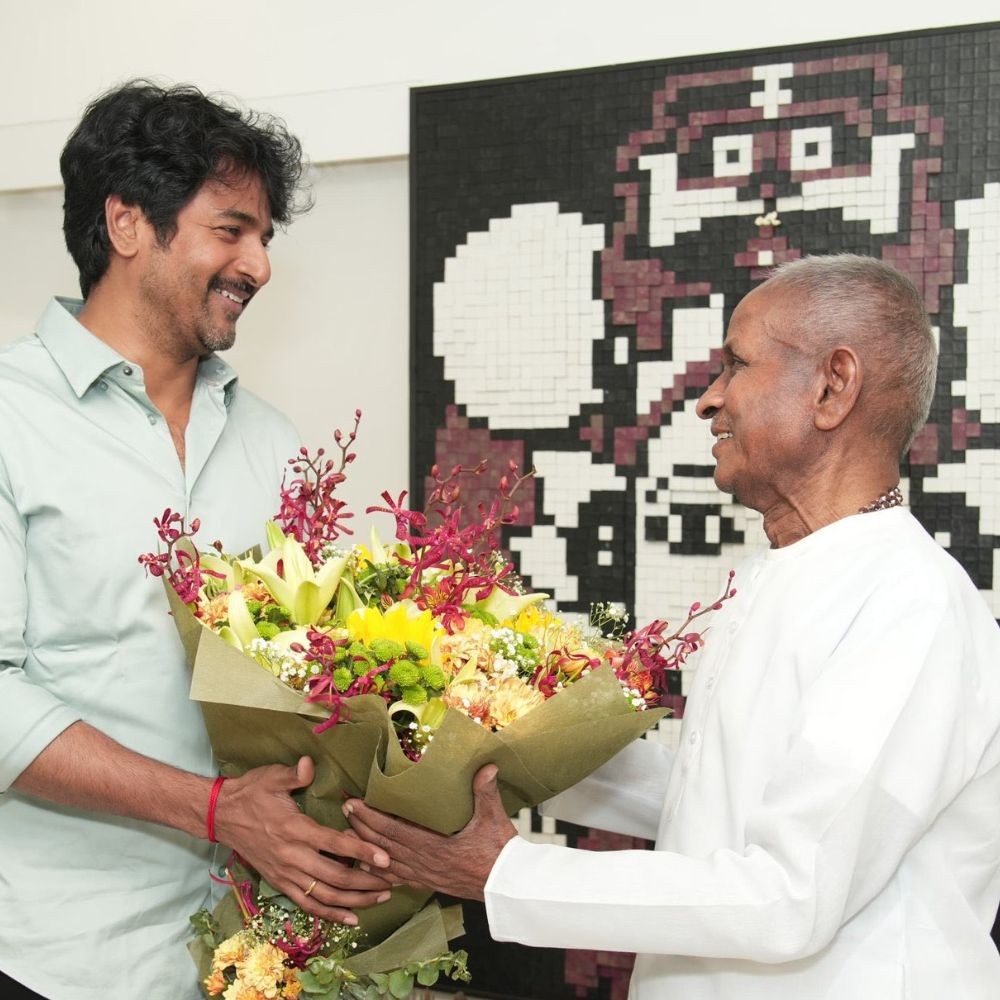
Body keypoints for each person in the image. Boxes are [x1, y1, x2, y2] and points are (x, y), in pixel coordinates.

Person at [345, 254, 1000, 999]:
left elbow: (791, 895)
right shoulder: (778, 572)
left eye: (735, 365)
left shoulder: (909, 605)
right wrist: (488, 739)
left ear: (832, 386)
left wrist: (508, 874)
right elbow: (708, 794)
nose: (708, 400)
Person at [0, 81, 390, 1000]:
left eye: (265, 238)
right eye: (232, 229)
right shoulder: (10, 417)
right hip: (50, 956)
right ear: (129, 222)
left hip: (242, 957)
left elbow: (316, 677)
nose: (258, 265)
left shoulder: (278, 444)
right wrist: (215, 812)